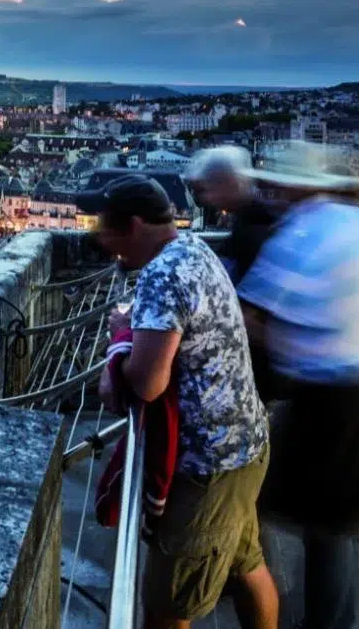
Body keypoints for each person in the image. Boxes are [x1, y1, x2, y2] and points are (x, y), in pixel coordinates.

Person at [83, 174, 277, 629]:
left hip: (206, 468)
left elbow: (147, 383)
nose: (102, 242)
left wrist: (119, 338)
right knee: (249, 566)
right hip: (246, 445)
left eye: (105, 229)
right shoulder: (194, 250)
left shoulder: (161, 274)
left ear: (132, 226)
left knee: (167, 608)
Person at [233, 141, 359, 629]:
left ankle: (272, 596)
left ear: (294, 187)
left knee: (281, 508)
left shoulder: (303, 231)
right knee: (337, 524)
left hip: (329, 399)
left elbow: (248, 316)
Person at [185, 146, 277, 281]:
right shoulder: (251, 217)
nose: (206, 198)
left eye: (208, 188)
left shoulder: (255, 227)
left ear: (229, 182)